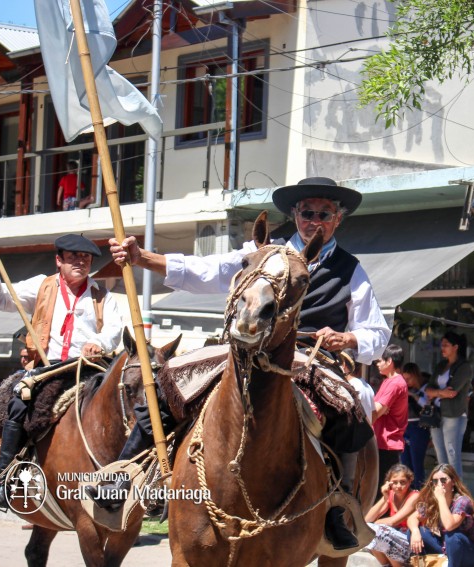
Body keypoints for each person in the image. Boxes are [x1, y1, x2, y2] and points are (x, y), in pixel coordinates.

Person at [97, 177, 390, 550]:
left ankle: (339, 505)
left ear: (338, 219)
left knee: (351, 403)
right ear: (295, 214)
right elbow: (205, 270)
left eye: (324, 213)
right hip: (244, 347)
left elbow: (377, 334)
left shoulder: (351, 270)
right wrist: (143, 259)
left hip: (309, 356)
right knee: (174, 379)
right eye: (307, 212)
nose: (314, 220)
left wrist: (349, 339)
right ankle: (126, 474)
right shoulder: (264, 251)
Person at [0, 234, 121, 510]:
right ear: (59, 260)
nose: (80, 262)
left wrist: (99, 343)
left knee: (125, 402)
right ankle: (5, 480)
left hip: (89, 368)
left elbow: (114, 330)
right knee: (20, 401)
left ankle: (129, 481)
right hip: (49, 368)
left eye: (86, 258)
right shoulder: (42, 286)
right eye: (73, 258)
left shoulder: (101, 295)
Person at [408, 464, 474, 567]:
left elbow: (449, 525)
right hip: (447, 548)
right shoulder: (433, 501)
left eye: (443, 480)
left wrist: (441, 498)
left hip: (470, 551)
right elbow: (412, 517)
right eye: (435, 481)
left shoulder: (462, 501)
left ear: (453, 482)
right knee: (415, 532)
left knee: (452, 536)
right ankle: (423, 564)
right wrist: (415, 531)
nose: (439, 484)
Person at [425, 331, 473, 477]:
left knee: (452, 455)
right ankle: (443, 489)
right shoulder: (441, 365)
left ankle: (458, 494)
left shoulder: (464, 367)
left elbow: (452, 392)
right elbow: (428, 389)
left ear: (455, 347)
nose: (442, 348)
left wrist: (436, 393)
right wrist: (440, 392)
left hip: (454, 415)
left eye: (446, 345)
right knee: (440, 456)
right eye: (442, 345)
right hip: (437, 414)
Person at [364, 464, 421, 567]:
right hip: (396, 540)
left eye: (402, 482)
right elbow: (367, 519)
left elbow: (393, 521)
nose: (398, 486)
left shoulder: (415, 496)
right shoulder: (391, 495)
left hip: (411, 541)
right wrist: (385, 498)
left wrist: (376, 523)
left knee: (381, 533)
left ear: (410, 481)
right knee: (367, 531)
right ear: (389, 483)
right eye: (394, 482)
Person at [374, 344, 410, 483]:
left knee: (382, 492)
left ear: (389, 361)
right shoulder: (388, 381)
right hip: (381, 443)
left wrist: (378, 409)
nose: (378, 364)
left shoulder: (395, 383)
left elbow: (376, 411)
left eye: (380, 360)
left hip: (387, 445)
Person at [401, 363, 430, 490]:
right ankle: (408, 492)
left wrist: (413, 395)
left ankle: (419, 492)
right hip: (405, 426)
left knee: (417, 463)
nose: (407, 382)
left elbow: (427, 405)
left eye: (409, 379)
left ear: (416, 376)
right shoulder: (405, 389)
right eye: (404, 379)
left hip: (418, 427)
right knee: (405, 463)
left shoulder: (425, 388)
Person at [340, 348, 375, 423]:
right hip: (365, 433)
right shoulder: (368, 387)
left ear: (344, 365)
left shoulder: (351, 386)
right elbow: (373, 415)